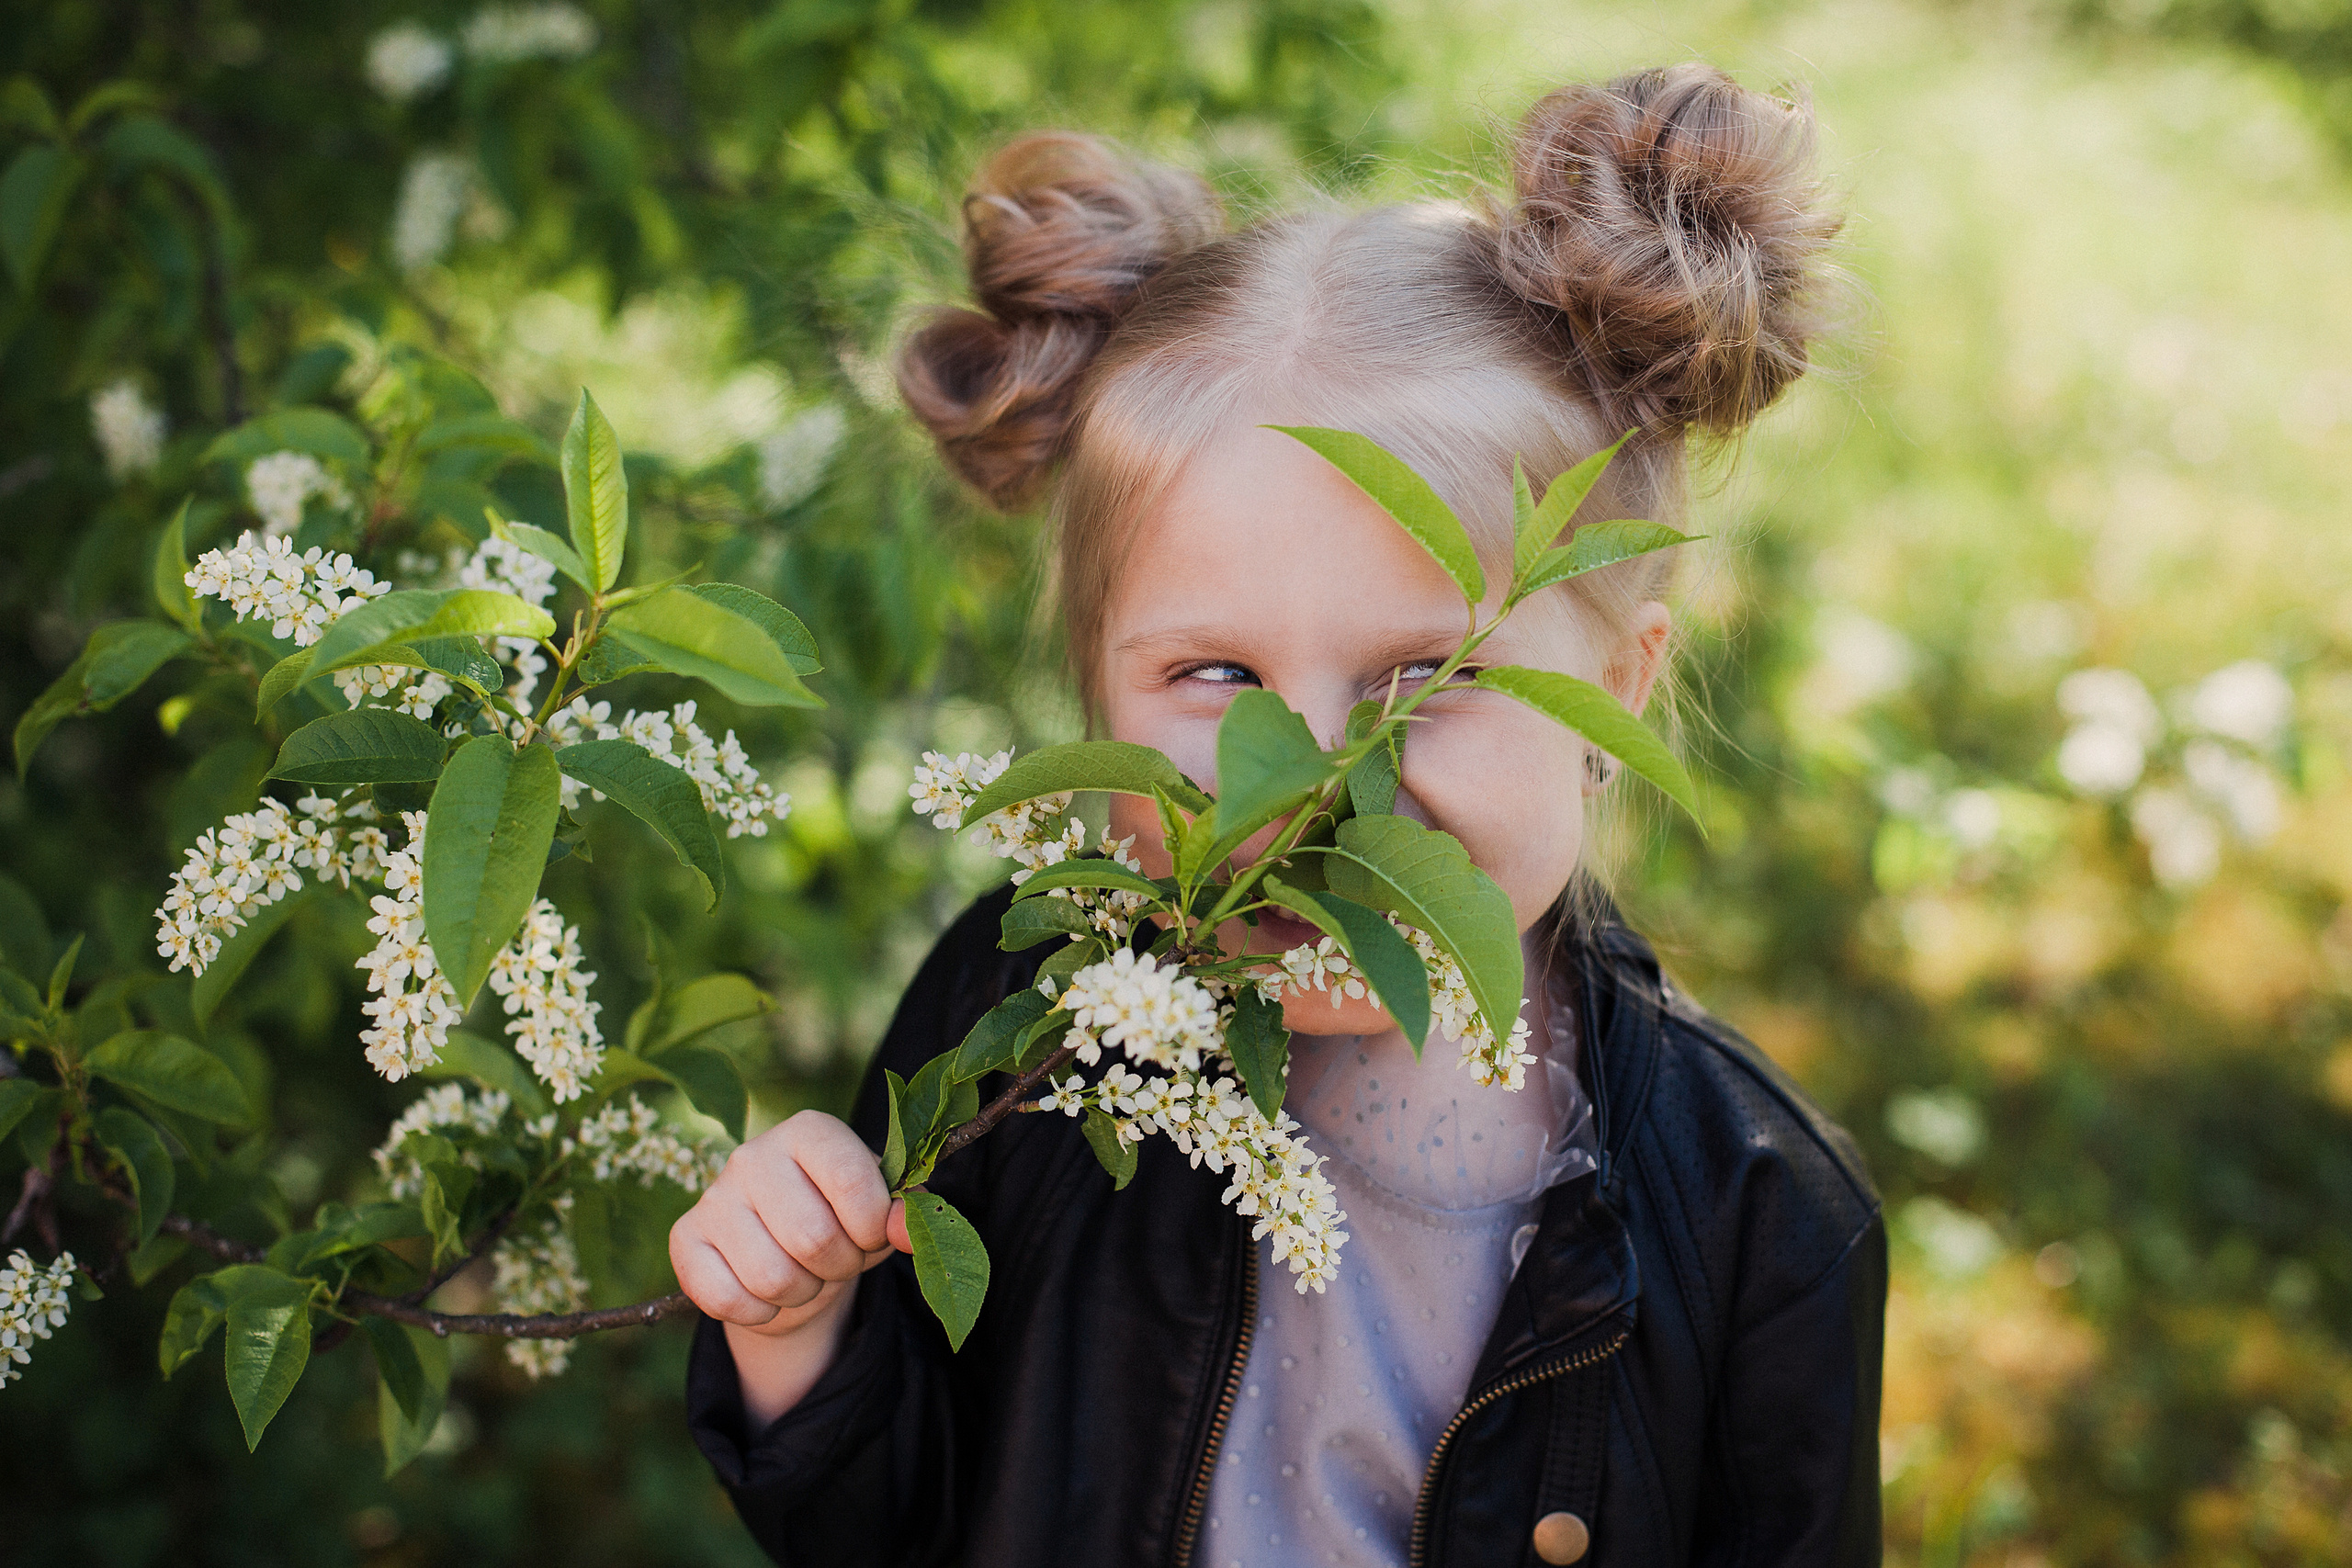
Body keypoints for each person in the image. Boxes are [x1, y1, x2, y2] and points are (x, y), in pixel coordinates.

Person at [672, 63, 1884, 1568]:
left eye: (1423, 677)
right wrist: (804, 1325)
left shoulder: (1750, 1209)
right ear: (1100, 689)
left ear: (1617, 690)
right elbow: (892, 1525)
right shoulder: (1019, 1023)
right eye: (1215, 674)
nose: (1308, 788)